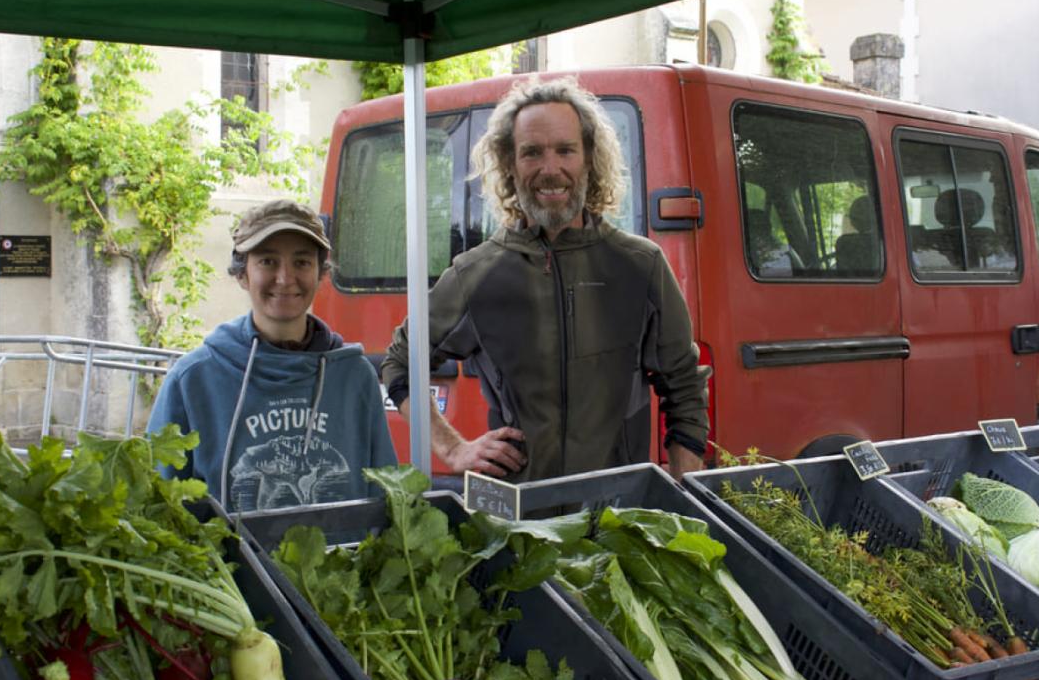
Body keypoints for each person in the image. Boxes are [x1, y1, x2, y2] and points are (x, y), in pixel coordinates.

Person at [381, 77, 709, 481]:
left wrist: (681, 493)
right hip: (515, 520)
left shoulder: (641, 265)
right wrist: (453, 448)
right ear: (509, 163)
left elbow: (684, 389)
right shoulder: (476, 273)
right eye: (532, 152)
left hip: (616, 519)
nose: (550, 169)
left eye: (565, 150)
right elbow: (400, 362)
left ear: (588, 158)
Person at [147, 198, 395, 511]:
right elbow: (156, 503)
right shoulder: (194, 380)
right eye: (267, 261)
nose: (285, 278)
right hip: (224, 561)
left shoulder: (354, 377)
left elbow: (384, 493)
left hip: (341, 559)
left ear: (321, 273)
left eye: (302, 262)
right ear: (242, 274)